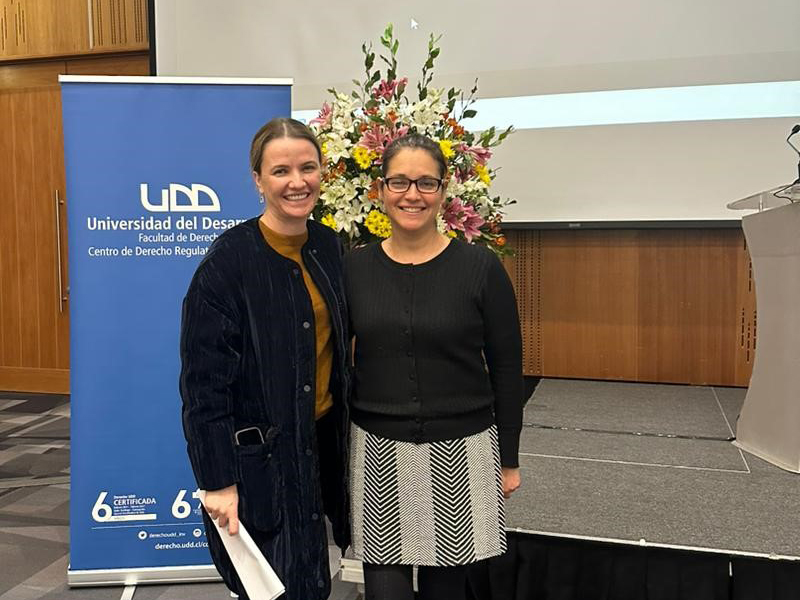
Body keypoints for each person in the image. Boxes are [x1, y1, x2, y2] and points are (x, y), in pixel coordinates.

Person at [344, 132, 524, 600]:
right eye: (399, 181)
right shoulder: (353, 270)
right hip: (379, 453)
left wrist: (509, 457)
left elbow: (507, 368)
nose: (412, 195)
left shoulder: (480, 268)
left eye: (426, 183)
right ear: (380, 191)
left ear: (444, 191)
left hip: (461, 454)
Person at [179, 118, 350, 600]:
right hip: (261, 461)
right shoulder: (226, 265)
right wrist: (217, 482)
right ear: (258, 180)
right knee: (272, 586)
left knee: (315, 575)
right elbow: (203, 387)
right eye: (280, 171)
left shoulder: (329, 248)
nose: (297, 182)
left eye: (308, 167)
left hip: (322, 445)